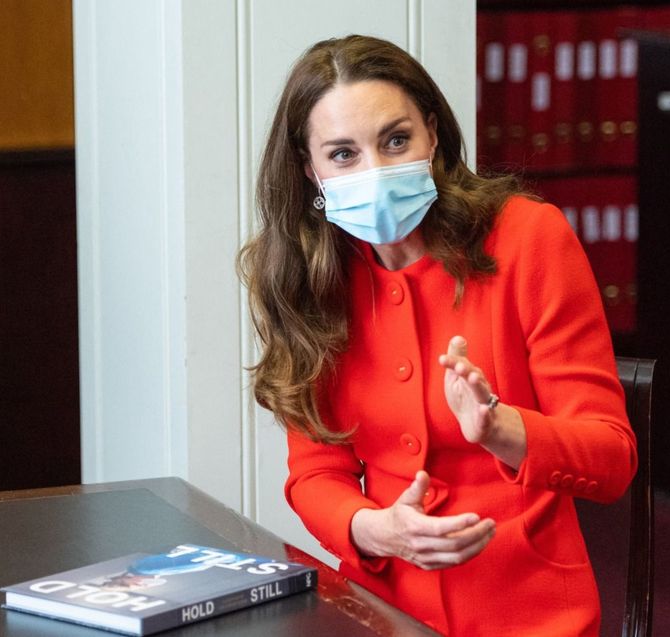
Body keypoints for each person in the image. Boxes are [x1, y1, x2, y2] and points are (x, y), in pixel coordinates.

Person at [239, 34, 636, 636]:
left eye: (396, 141)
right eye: (343, 154)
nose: (375, 170)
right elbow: (316, 472)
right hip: (377, 611)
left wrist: (503, 430)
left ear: (432, 136)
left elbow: (612, 460)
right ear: (309, 170)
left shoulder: (529, 238)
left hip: (529, 612)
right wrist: (372, 529)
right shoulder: (305, 274)